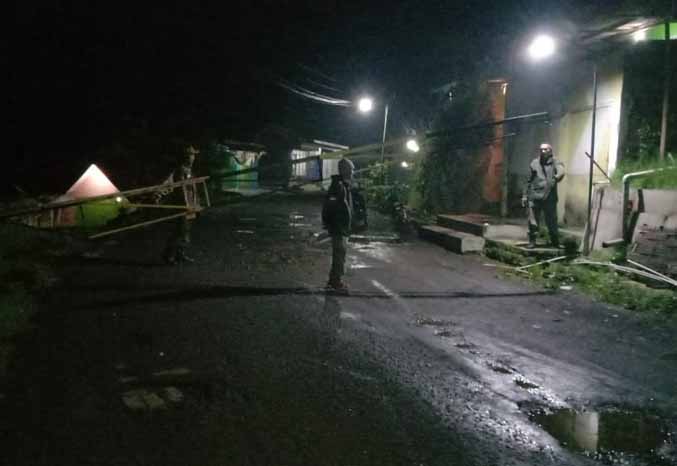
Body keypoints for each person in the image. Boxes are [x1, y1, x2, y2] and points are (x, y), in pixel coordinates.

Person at [522, 143, 565, 249]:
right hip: (534, 196)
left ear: (550, 151)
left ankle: (555, 242)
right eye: (541, 149)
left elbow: (561, 170)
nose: (543, 151)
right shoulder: (535, 163)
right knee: (532, 221)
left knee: (552, 221)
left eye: (545, 149)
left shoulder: (555, 162)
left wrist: (557, 176)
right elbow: (528, 180)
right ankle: (532, 241)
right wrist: (524, 195)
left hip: (549, 197)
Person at [163, 144, 199, 264]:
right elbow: (182, 188)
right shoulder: (181, 170)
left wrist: (195, 202)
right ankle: (169, 255)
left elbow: (192, 188)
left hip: (190, 204)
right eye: (191, 155)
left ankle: (180, 254)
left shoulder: (189, 170)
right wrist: (186, 204)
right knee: (179, 230)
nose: (193, 158)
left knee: (185, 231)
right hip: (182, 205)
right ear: (186, 157)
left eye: (193, 155)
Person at [322, 158, 354, 290]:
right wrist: (331, 224)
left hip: (342, 227)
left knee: (340, 254)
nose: (352, 172)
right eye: (351, 170)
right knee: (339, 255)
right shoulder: (338, 186)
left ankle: (334, 280)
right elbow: (330, 207)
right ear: (344, 170)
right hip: (339, 227)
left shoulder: (344, 185)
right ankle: (336, 282)